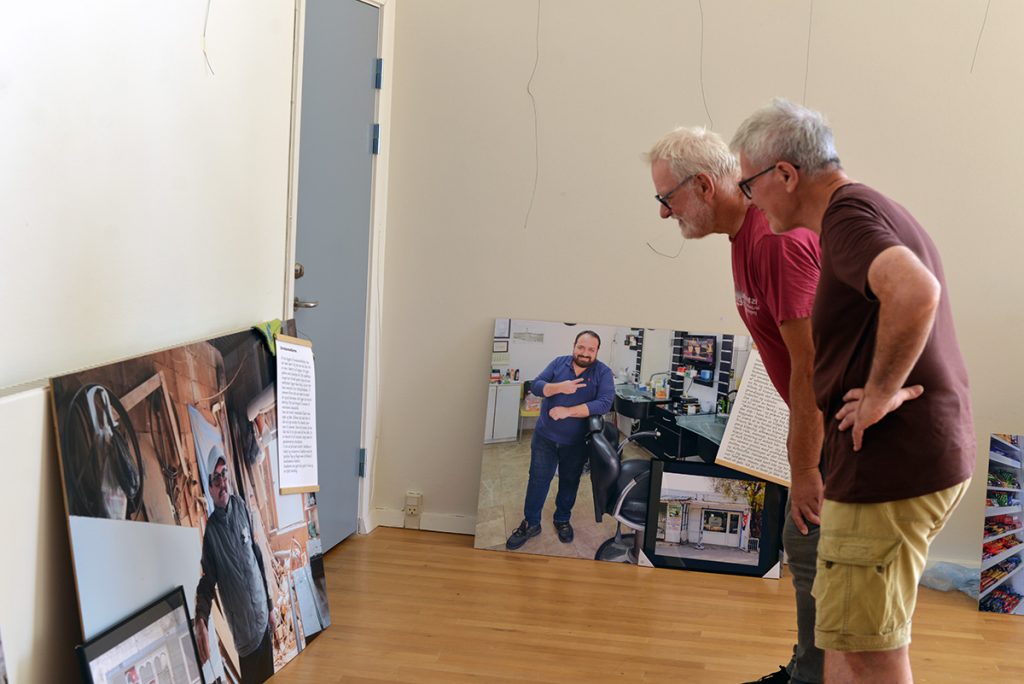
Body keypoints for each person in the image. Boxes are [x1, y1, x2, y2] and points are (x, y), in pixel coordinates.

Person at [731, 98, 974, 684]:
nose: (749, 199)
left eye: (750, 183)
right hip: (899, 465)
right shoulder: (860, 211)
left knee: (868, 655)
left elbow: (916, 292)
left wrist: (881, 391)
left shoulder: (847, 218)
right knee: (848, 643)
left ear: (786, 174)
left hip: (889, 470)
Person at [647, 127, 824, 684]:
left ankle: (814, 676)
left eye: (666, 198)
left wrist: (806, 470)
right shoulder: (743, 238)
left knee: (808, 541)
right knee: (804, 546)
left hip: (860, 436)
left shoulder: (775, 241)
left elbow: (811, 368)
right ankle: (807, 671)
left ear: (703, 185)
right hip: (832, 430)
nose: (662, 214)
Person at [506, 331, 615, 550]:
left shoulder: (603, 372)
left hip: (575, 443)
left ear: (597, 351)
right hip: (544, 437)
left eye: (590, 349)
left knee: (569, 482)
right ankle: (531, 523)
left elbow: (604, 403)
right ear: (574, 345)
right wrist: (558, 387)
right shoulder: (559, 363)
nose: (585, 353)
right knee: (538, 480)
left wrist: (568, 411)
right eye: (581, 347)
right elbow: (536, 386)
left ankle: (562, 519)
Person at [194, 445, 277, 683]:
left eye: (224, 474)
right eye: (216, 478)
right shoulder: (211, 534)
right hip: (245, 639)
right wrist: (200, 618)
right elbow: (206, 584)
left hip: (263, 621)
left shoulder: (241, 506)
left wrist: (270, 606)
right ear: (209, 488)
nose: (222, 483)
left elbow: (257, 557)